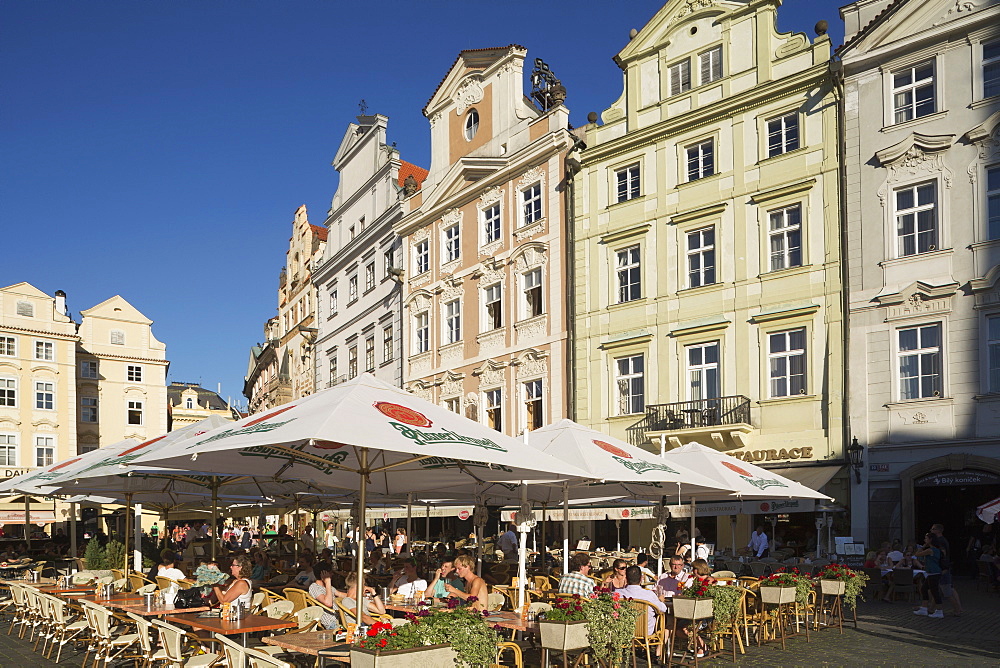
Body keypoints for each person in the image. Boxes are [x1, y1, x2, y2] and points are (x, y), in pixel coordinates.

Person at [617, 565, 666, 636]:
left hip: (623, 632)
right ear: (641, 579)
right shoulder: (649, 594)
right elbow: (663, 609)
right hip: (646, 632)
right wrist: (660, 600)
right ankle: (660, 646)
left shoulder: (618, 594)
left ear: (626, 579)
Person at [913, 533, 945, 618]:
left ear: (930, 540)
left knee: (935, 591)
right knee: (924, 589)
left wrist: (923, 546)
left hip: (934, 572)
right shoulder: (935, 550)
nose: (925, 540)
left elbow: (917, 554)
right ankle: (923, 608)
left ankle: (939, 611)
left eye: (926, 538)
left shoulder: (930, 550)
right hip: (931, 572)